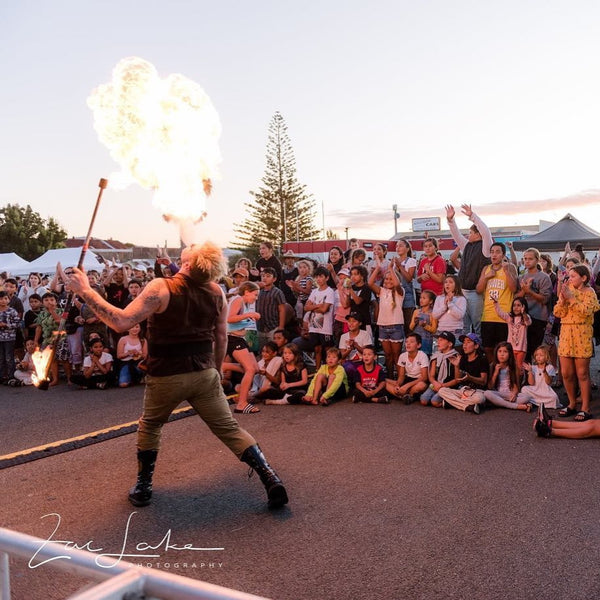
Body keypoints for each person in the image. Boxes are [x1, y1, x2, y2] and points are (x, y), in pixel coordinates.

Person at [67, 242, 288, 510]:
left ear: (187, 263)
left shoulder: (161, 287)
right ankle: (270, 477)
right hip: (203, 373)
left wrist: (86, 291)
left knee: (150, 425)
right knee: (229, 429)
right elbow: (220, 336)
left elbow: (121, 322)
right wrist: (216, 370)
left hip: (167, 375)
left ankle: (144, 487)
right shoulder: (216, 291)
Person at [553, 264, 600, 421]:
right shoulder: (567, 291)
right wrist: (563, 299)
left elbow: (587, 311)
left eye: (573, 276)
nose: (570, 279)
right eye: (569, 276)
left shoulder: (589, 292)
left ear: (584, 278)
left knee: (582, 373)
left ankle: (585, 408)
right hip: (566, 332)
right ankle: (572, 404)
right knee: (566, 373)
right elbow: (558, 313)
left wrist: (572, 298)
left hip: (582, 332)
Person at [445, 204, 493, 335]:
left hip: (476, 294)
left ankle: (479, 351)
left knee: (477, 326)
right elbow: (456, 234)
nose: (467, 235)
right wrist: (451, 220)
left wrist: (473, 216)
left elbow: (486, 232)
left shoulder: (486, 247)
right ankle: (465, 351)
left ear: (478, 234)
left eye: (471, 232)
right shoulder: (466, 246)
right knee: (464, 326)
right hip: (462, 292)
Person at [476, 242, 519, 363]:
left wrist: (506, 271)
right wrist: (486, 277)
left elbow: (514, 289)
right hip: (488, 315)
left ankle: (504, 374)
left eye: (497, 252)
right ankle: (493, 370)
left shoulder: (510, 267)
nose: (494, 255)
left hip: (504, 316)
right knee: (488, 347)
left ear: (503, 254)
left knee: (503, 349)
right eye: (492, 252)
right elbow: (478, 289)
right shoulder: (486, 268)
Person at [225, 281, 261, 414]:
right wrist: (249, 315)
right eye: (255, 295)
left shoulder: (242, 302)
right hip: (233, 339)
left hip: (240, 338)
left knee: (255, 368)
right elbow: (230, 318)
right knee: (250, 369)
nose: (256, 298)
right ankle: (242, 403)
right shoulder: (238, 299)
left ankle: (223, 366)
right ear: (246, 292)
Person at [515, 248, 552, 359]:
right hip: (522, 318)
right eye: (525, 259)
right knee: (522, 351)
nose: (527, 261)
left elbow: (545, 299)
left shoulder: (544, 277)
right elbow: (515, 298)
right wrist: (524, 291)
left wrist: (529, 291)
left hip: (538, 318)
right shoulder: (521, 277)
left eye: (530, 259)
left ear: (537, 260)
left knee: (535, 351)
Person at [438, 333, 489, 413]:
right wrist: (457, 366)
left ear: (476, 346)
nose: (464, 345)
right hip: (462, 390)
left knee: (480, 398)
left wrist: (470, 377)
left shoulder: (482, 359)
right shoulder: (462, 358)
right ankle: (467, 406)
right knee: (442, 391)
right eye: (464, 342)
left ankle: (453, 403)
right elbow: (458, 379)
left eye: (468, 342)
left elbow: (483, 381)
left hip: (476, 391)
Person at [368, 265, 404, 377]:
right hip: (383, 327)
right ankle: (389, 377)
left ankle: (399, 378)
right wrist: (378, 269)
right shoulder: (382, 291)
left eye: (391, 279)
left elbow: (397, 284)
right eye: (386, 279)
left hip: (396, 326)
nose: (388, 281)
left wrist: (391, 269)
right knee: (387, 355)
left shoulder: (399, 291)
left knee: (396, 355)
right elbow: (370, 283)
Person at [483, 342, 529, 410]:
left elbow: (515, 384)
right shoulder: (492, 366)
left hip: (508, 394)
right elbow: (490, 387)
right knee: (487, 393)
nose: (502, 354)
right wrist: (495, 373)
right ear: (496, 353)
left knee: (526, 398)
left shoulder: (513, 366)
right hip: (497, 393)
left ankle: (499, 403)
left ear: (509, 354)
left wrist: (514, 393)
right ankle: (516, 406)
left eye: (505, 352)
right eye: (500, 351)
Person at [385, 333, 429, 404]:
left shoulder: (422, 355)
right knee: (384, 381)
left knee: (422, 385)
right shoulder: (403, 356)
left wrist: (407, 386)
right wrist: (398, 385)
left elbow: (424, 377)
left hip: (418, 380)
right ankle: (406, 396)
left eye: (411, 342)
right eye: (406, 342)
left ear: (418, 345)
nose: (408, 344)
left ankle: (406, 394)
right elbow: (401, 376)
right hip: (407, 379)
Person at [419, 331, 460, 407]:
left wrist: (442, 385)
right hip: (436, 384)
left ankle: (451, 402)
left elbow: (457, 379)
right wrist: (435, 383)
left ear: (450, 344)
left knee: (435, 401)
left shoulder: (455, 357)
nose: (438, 342)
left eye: (441, 340)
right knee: (424, 400)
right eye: (438, 340)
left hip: (448, 386)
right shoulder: (436, 356)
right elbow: (431, 376)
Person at [492, 297, 532, 375]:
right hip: (510, 348)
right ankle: (512, 384)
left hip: (521, 348)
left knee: (519, 367)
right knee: (510, 367)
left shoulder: (525, 317)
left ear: (523, 307)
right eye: (514, 305)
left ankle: (519, 385)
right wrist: (496, 303)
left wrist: (523, 313)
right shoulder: (509, 317)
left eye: (518, 305)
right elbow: (500, 313)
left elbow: (528, 322)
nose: (516, 307)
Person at [256, 268, 287, 349]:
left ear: (274, 279)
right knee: (262, 351)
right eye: (262, 276)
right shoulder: (258, 291)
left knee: (274, 350)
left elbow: (282, 310)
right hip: (260, 327)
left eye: (268, 276)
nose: (264, 278)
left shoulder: (277, 292)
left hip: (273, 327)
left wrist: (281, 327)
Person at [393, 238, 418, 335]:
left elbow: (408, 278)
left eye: (401, 245)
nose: (398, 248)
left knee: (408, 322)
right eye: (397, 246)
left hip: (407, 295)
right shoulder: (395, 261)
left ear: (407, 249)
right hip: (396, 294)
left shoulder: (410, 261)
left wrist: (399, 267)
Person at [432, 275, 467, 339]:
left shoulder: (461, 299)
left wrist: (450, 304)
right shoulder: (439, 298)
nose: (447, 284)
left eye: (450, 282)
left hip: (456, 331)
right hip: (441, 331)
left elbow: (459, 315)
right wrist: (444, 306)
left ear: (456, 285)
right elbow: (434, 315)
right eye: (446, 282)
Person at [116, 323, 148, 388]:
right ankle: (131, 378)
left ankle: (139, 377)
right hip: (126, 363)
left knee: (140, 368)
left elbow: (145, 356)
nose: (135, 329)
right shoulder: (123, 339)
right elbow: (119, 356)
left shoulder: (143, 340)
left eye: (137, 327)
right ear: (128, 329)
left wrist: (138, 354)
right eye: (132, 327)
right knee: (123, 384)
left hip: (138, 363)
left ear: (140, 328)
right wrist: (128, 353)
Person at [409, 290, 437, 355]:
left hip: (426, 340)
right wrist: (415, 323)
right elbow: (410, 327)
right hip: (416, 339)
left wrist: (425, 325)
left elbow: (434, 330)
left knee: (424, 356)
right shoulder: (416, 312)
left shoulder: (432, 313)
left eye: (424, 298)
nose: (421, 300)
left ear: (431, 301)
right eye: (420, 297)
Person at [0, 290, 20, 384]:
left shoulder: (12, 311)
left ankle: (11, 375)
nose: (3, 301)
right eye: (0, 299)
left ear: (8, 300)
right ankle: (2, 376)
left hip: (9, 338)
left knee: (9, 357)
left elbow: (17, 324)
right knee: (1, 357)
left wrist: (6, 325)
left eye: (5, 298)